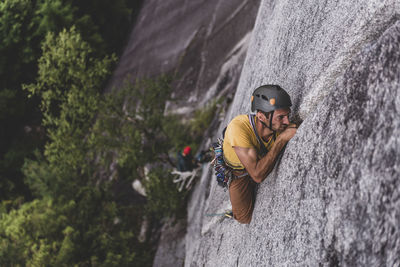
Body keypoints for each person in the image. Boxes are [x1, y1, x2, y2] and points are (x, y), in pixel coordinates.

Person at [223, 85, 297, 224]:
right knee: (244, 218)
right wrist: (281, 140)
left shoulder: (277, 125)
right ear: (261, 116)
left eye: (288, 115)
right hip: (239, 173)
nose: (287, 121)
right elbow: (257, 175)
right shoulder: (238, 128)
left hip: (255, 155)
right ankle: (232, 213)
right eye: (281, 117)